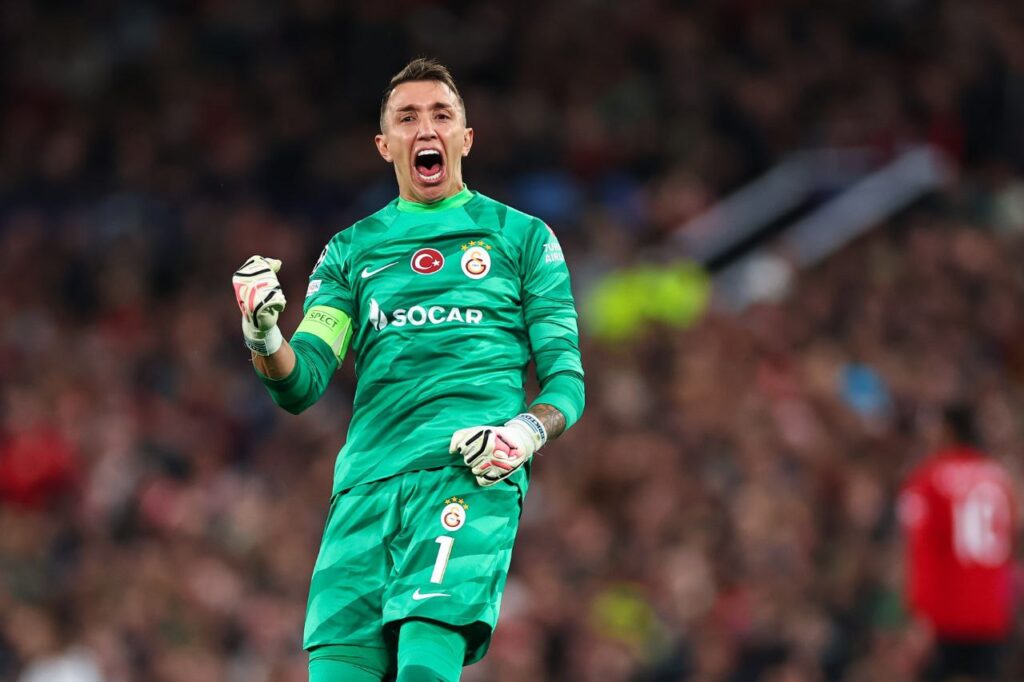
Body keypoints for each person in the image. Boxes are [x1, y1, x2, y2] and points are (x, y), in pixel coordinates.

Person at [230, 58, 585, 681]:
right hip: (364, 489)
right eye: (408, 117)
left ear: (465, 138)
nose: (426, 128)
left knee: (424, 663)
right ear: (384, 143)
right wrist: (263, 333)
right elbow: (301, 381)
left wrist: (524, 433)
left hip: (467, 470)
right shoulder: (350, 252)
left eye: (442, 115)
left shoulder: (523, 238)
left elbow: (566, 382)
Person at [898, 404, 1017, 682]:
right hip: (991, 612)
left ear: (948, 432)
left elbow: (922, 550)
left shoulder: (930, 478)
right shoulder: (999, 477)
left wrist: (920, 613)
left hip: (947, 613)